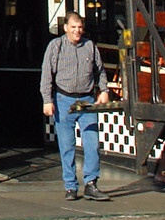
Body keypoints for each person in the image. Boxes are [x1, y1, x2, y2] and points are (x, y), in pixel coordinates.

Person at [40, 11, 112, 201]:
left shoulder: (89, 46)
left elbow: (100, 70)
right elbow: (46, 75)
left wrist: (103, 90)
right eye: (73, 27)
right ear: (65, 28)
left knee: (92, 143)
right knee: (67, 145)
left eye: (79, 27)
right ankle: (71, 186)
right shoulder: (56, 46)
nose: (77, 31)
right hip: (63, 99)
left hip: (87, 101)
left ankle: (91, 183)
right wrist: (47, 100)